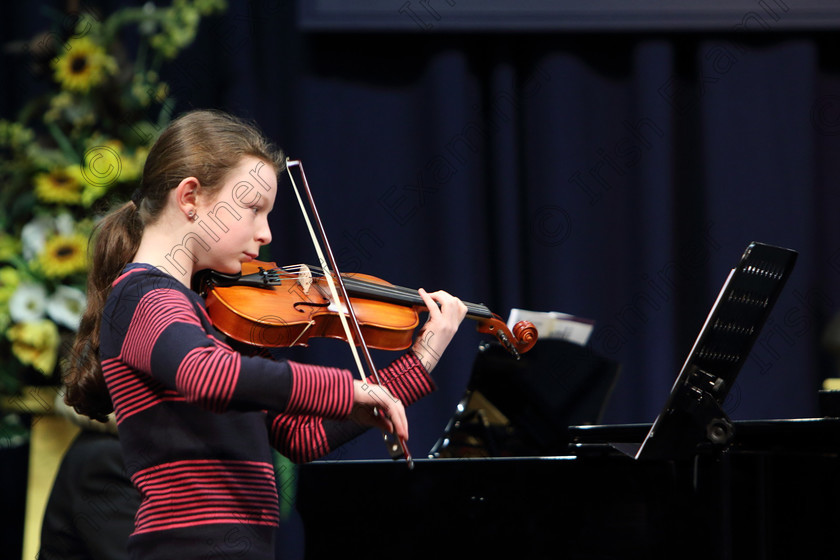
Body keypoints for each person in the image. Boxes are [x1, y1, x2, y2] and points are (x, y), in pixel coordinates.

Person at [63, 109, 467, 560]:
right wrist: (347, 388)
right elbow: (208, 376)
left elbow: (301, 438)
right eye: (253, 209)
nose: (266, 232)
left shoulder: (205, 315)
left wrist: (419, 363)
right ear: (191, 197)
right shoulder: (143, 297)